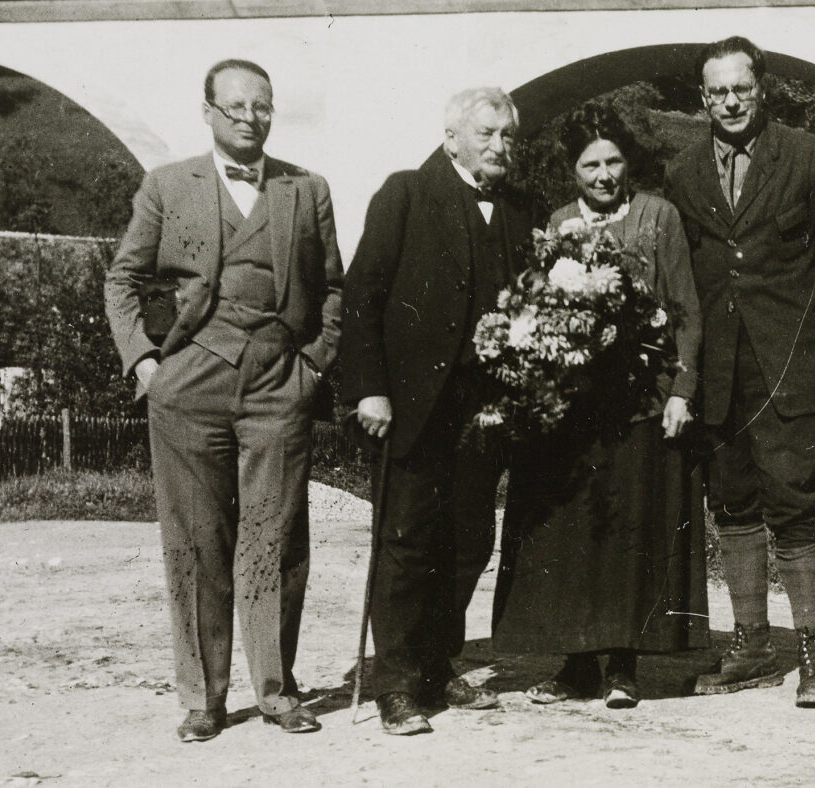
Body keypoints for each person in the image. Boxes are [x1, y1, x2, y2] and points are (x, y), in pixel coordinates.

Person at [105, 59, 342, 741]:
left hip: (278, 384)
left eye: (261, 106)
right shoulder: (168, 184)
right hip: (189, 385)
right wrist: (145, 364)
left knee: (276, 535)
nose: (249, 118)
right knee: (197, 540)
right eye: (235, 106)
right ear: (208, 111)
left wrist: (313, 368)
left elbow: (332, 289)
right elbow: (123, 280)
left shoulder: (307, 189)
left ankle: (275, 689)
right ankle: (204, 698)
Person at [664, 36, 815, 708]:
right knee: (731, 501)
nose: (730, 101)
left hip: (789, 361)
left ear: (762, 91)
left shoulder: (807, 157)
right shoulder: (685, 171)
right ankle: (751, 646)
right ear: (704, 98)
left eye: (741, 89)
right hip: (717, 368)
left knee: (794, 502)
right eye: (718, 92)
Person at [491, 102, 708, 709]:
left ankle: (623, 667)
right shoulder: (558, 222)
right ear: (573, 169)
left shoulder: (658, 216)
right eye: (592, 164)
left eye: (614, 161)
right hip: (574, 409)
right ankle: (576, 665)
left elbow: (687, 310)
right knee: (575, 535)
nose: (605, 174)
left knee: (631, 534)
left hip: (640, 403)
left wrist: (682, 391)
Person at [341, 87, 543, 735]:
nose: (499, 146)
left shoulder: (520, 210)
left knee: (468, 543)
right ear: (452, 136)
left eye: (508, 136)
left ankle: (436, 665)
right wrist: (368, 388)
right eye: (486, 134)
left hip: (485, 415)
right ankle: (396, 684)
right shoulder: (404, 194)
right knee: (406, 544)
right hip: (412, 406)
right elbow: (363, 297)